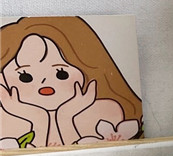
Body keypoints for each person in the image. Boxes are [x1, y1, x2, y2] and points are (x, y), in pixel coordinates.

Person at [0, 17, 142, 148]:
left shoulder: (104, 110)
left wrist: (66, 117)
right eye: (25, 77)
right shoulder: (5, 117)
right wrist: (36, 118)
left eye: (61, 73)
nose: (44, 82)